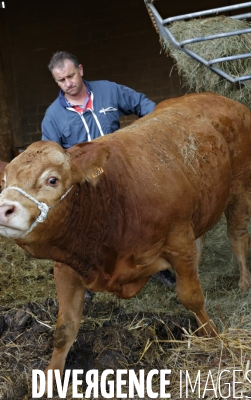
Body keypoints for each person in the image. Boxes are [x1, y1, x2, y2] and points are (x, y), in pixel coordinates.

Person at [42, 51, 175, 287]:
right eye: (61, 81)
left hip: (121, 171)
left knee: (141, 219)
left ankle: (154, 267)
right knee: (86, 231)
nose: (68, 84)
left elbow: (144, 105)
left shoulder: (108, 91)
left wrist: (152, 135)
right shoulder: (53, 116)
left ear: (80, 70)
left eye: (71, 76)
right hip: (86, 181)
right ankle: (89, 278)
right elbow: (50, 158)